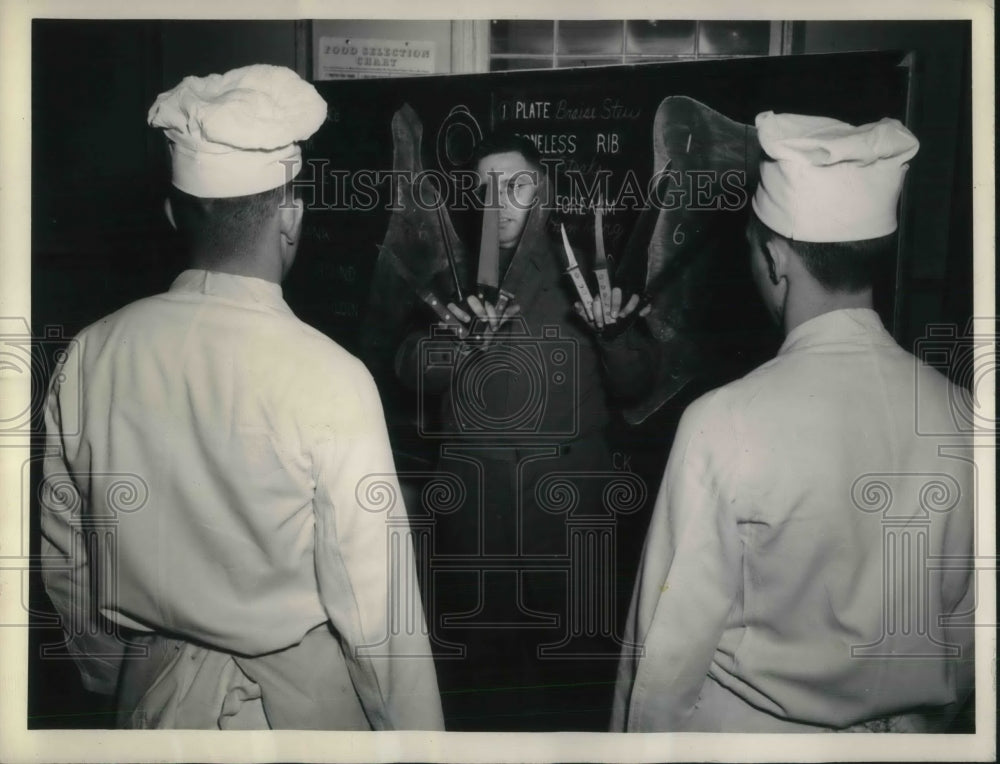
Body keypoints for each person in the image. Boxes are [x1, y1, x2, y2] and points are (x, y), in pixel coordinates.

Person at [39, 64, 444, 730]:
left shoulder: (89, 353)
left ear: (173, 212)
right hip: (298, 717)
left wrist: (116, 678)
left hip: (152, 704)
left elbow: (65, 560)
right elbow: (378, 613)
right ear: (291, 215)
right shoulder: (331, 376)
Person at [611, 111, 975, 732]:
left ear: (775, 258)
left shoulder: (722, 422)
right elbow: (969, 633)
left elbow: (664, 658)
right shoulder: (962, 417)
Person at [394, 132, 657, 730]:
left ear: (543, 188)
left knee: (578, 684)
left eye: (516, 184)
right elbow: (409, 371)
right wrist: (453, 340)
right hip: (475, 514)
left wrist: (612, 335)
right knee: (479, 688)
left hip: (569, 515)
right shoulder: (452, 278)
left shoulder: (584, 274)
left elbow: (638, 384)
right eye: (486, 187)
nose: (500, 201)